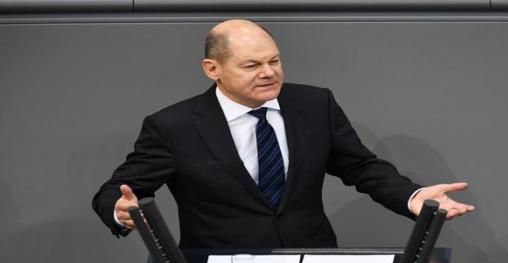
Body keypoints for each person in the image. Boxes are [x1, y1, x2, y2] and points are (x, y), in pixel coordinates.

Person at [92, 19, 474, 249]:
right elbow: (114, 190)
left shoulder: (314, 105)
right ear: (213, 69)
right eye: (252, 65)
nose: (269, 72)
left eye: (274, 60)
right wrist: (121, 211)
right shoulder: (173, 126)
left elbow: (361, 167)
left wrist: (412, 196)